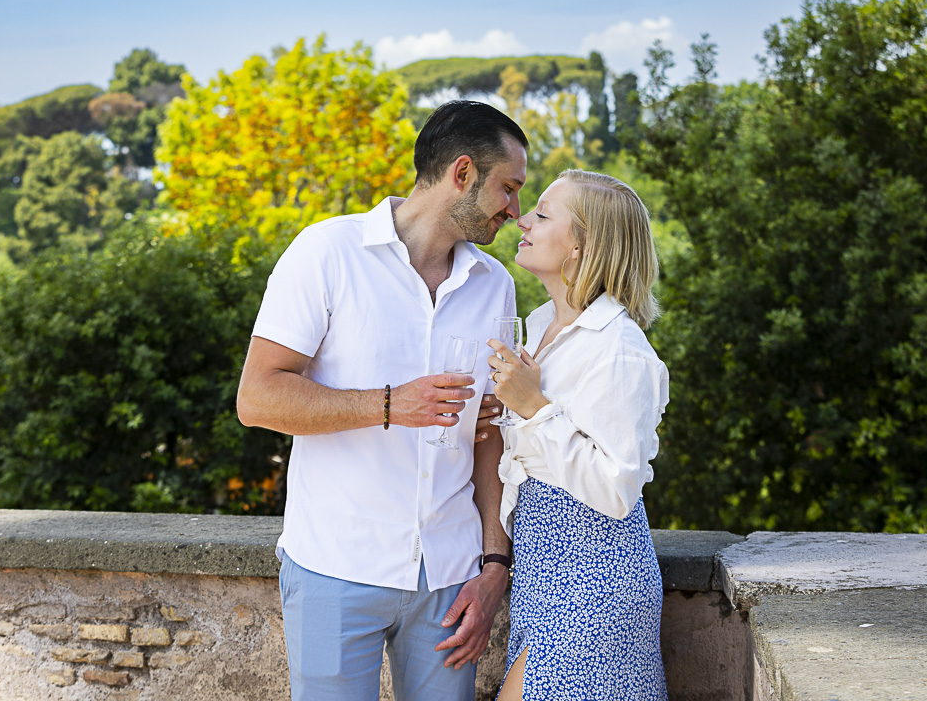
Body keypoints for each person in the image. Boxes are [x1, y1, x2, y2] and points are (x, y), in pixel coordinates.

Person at [237, 100, 528, 700]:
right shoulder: (326, 253)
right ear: (464, 173)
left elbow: (489, 435)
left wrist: (494, 566)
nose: (516, 212)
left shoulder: (495, 285)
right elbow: (258, 397)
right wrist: (390, 405)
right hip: (336, 565)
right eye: (509, 188)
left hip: (450, 576)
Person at [484, 170, 669, 700]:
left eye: (542, 215)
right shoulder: (542, 326)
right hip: (543, 577)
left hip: (597, 582)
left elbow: (616, 486)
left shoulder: (620, 348)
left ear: (581, 245)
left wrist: (533, 407)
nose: (522, 219)